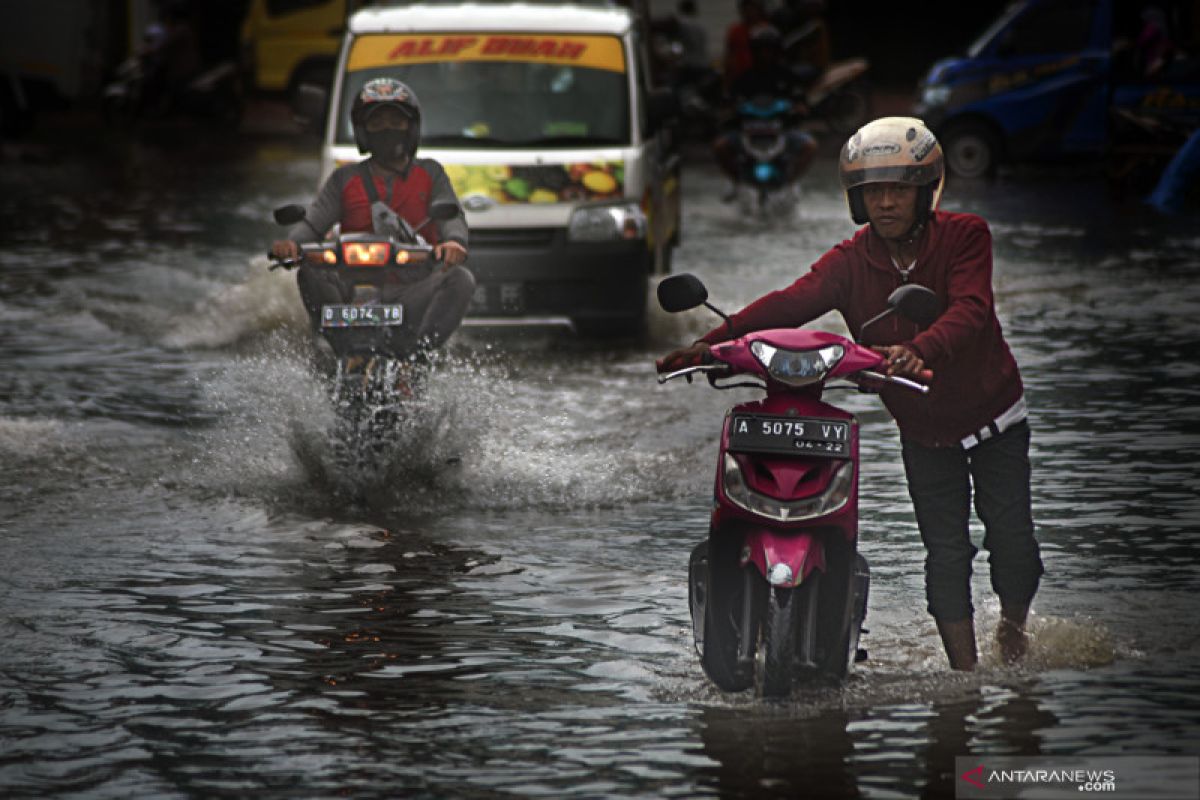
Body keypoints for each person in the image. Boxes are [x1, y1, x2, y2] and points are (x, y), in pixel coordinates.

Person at [659, 117, 1044, 671]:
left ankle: (1013, 633)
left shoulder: (967, 235)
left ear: (923, 193)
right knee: (946, 553)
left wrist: (920, 349)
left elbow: (971, 309)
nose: (886, 202)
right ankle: (966, 678)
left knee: (1013, 547)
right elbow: (789, 304)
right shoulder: (849, 262)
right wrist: (710, 343)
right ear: (858, 200)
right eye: (874, 192)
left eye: (898, 190)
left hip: (996, 416)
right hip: (924, 430)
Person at [271, 77, 474, 353]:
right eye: (377, 122)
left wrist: (454, 242)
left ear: (411, 127)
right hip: (348, 288)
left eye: (396, 121)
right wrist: (292, 244)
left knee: (461, 279)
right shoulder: (344, 179)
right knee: (309, 272)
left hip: (411, 288)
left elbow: (451, 215)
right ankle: (341, 348)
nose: (387, 128)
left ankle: (417, 356)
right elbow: (313, 221)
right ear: (363, 130)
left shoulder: (431, 173)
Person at [713, 25, 818, 199]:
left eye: (769, 50)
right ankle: (736, 183)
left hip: (782, 130)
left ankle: (791, 183)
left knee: (810, 146)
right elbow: (728, 102)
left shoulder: (787, 77)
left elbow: (802, 101)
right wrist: (728, 112)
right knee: (720, 147)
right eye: (761, 50)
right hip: (747, 131)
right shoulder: (744, 78)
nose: (765, 54)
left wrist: (799, 108)